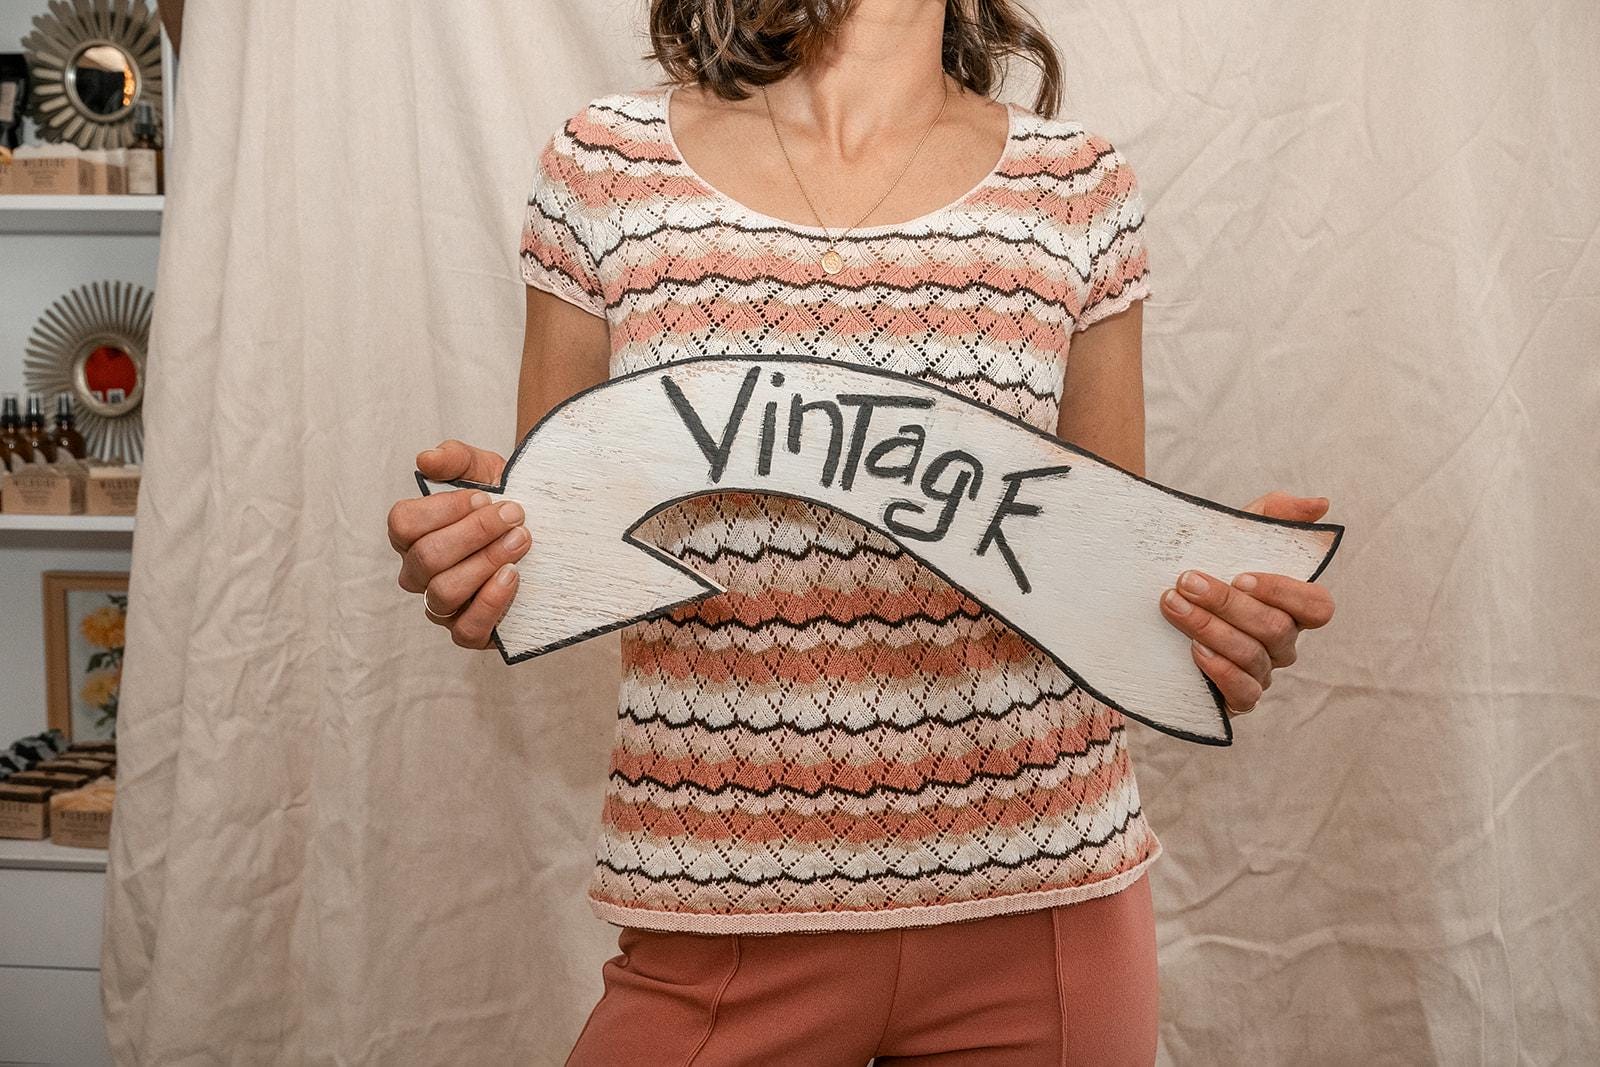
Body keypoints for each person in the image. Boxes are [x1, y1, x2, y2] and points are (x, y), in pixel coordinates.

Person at [386, 1, 1337, 1062]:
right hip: (721, 911)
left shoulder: (1077, 186)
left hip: (1041, 908)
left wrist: (1212, 619)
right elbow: (554, 542)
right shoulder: (605, 164)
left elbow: (1089, 566)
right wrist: (486, 553)